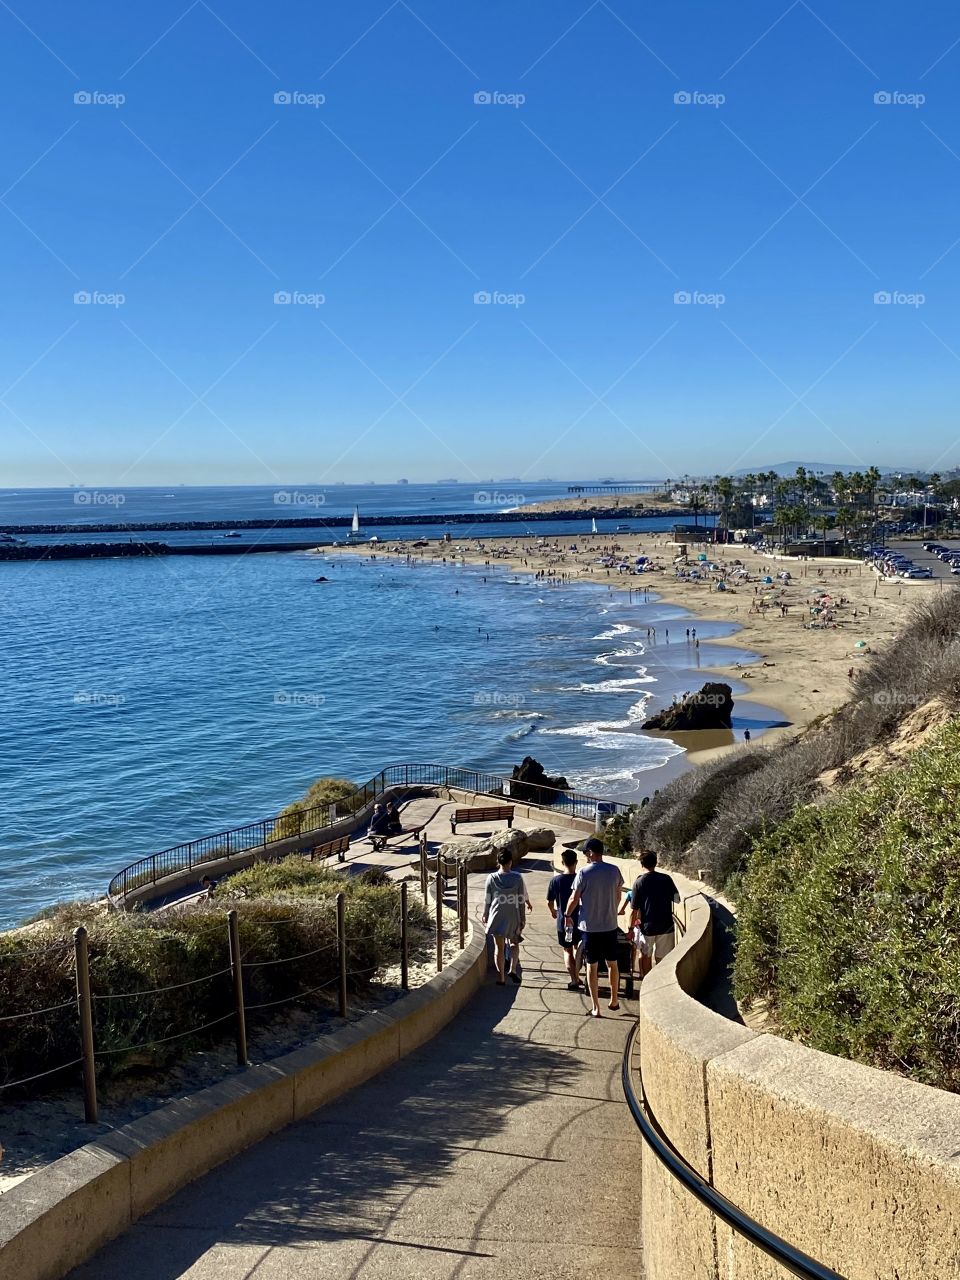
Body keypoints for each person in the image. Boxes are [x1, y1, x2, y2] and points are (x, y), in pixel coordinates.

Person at [564, 837, 623, 1017]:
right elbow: (618, 897)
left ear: (590, 853)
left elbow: (574, 898)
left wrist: (567, 915)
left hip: (589, 927)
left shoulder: (583, 873)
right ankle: (614, 1000)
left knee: (592, 966)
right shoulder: (614, 871)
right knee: (613, 964)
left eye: (585, 853)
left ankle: (596, 1007)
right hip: (610, 925)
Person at [482, 850, 530, 985]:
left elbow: (488, 899)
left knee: (499, 947)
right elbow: (521, 901)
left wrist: (485, 913)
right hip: (513, 915)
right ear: (510, 862)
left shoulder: (491, 878)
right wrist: (522, 919)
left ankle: (501, 977)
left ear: (498, 862)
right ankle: (513, 969)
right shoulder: (518, 878)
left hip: (496, 914)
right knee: (514, 943)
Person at [629, 852, 679, 980]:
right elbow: (677, 899)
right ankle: (661, 982)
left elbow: (634, 909)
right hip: (666, 925)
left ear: (642, 864)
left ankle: (648, 981)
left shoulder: (639, 882)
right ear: (656, 863)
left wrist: (630, 929)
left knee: (646, 955)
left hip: (647, 928)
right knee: (663, 957)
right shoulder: (666, 879)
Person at [547, 848, 582, 990]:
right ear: (576, 862)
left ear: (562, 862)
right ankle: (578, 975)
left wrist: (553, 911)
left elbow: (549, 901)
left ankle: (573, 979)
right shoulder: (580, 878)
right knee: (577, 948)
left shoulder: (556, 880)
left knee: (567, 950)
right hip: (580, 920)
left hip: (564, 921)